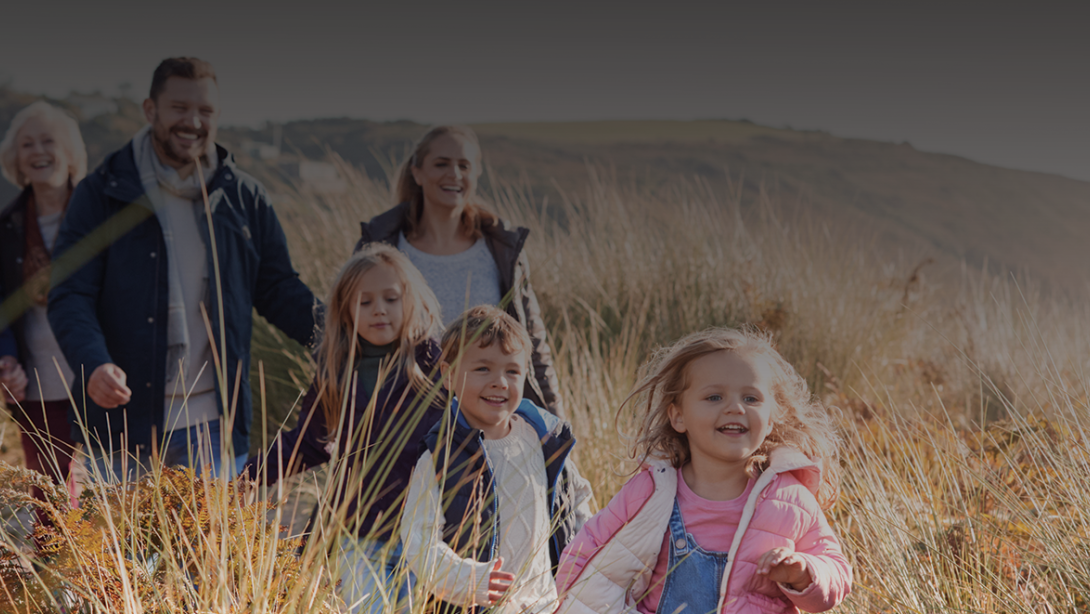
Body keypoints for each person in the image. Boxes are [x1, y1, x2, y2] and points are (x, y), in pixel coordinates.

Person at [48, 57, 318, 481]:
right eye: (179, 108)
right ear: (150, 109)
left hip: (215, 426)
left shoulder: (243, 196)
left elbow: (278, 288)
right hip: (123, 426)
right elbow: (69, 293)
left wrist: (340, 339)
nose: (192, 121)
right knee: (124, 549)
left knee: (209, 549)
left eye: (205, 111)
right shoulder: (101, 192)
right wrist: (93, 362)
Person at [555, 328, 852, 614]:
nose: (736, 407)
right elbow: (587, 555)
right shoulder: (650, 492)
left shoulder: (789, 500)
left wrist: (803, 573)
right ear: (678, 416)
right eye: (714, 397)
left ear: (771, 418)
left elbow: (836, 571)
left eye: (751, 398)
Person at [244, 243, 445, 614]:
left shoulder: (435, 364)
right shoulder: (338, 371)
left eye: (390, 298)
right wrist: (246, 477)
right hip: (359, 532)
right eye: (364, 302)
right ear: (346, 310)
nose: (379, 310)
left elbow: (470, 433)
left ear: (410, 301)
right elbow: (308, 444)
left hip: (428, 533)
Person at [356, 126, 564, 417]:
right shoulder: (382, 247)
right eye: (441, 164)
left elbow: (532, 343)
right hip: (402, 420)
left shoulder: (501, 248)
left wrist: (555, 423)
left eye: (463, 165)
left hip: (487, 419)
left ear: (476, 174)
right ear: (417, 172)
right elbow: (350, 336)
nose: (453, 174)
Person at [399, 305, 593, 614]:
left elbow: (579, 505)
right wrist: (469, 580)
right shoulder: (440, 457)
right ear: (449, 375)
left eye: (512, 371)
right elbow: (418, 540)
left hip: (547, 604)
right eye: (483, 369)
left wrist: (588, 572)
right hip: (477, 604)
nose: (500, 382)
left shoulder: (545, 440)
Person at [0, 100, 87, 517]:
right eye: (26, 143)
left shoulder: (99, 215)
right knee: (49, 496)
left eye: (48, 140)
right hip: (38, 381)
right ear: (15, 158)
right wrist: (5, 358)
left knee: (123, 485)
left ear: (70, 152)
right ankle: (59, 578)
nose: (38, 151)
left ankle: (125, 579)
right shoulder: (5, 226)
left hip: (102, 371)